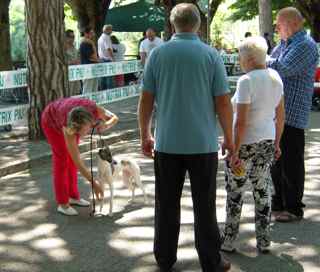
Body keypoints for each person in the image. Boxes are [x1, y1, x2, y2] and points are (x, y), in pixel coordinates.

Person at [138, 3, 233, 271]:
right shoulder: (210, 55)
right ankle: (211, 261)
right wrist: (229, 137)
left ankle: (165, 258)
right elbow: (223, 102)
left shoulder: (158, 54)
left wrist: (144, 134)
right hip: (202, 142)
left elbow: (146, 99)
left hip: (167, 142)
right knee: (205, 205)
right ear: (198, 24)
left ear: (172, 25)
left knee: (166, 203)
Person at [221, 36, 285, 254]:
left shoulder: (246, 81)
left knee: (235, 192)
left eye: (240, 56)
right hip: (266, 140)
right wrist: (277, 142)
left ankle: (228, 240)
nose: (239, 60)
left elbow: (241, 121)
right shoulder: (276, 77)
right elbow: (281, 114)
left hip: (245, 144)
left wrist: (233, 149)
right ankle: (264, 240)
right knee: (262, 191)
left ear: (247, 59)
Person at [267, 7, 319, 222]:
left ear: (294, 24)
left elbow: (283, 67)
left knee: (291, 163)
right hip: (276, 113)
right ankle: (278, 203)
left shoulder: (305, 44)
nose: (276, 27)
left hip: (292, 113)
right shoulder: (285, 43)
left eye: (280, 23)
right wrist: (265, 61)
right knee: (276, 161)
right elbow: (272, 62)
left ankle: (294, 208)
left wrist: (258, 60)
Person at [41, 97, 119, 216]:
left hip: (67, 113)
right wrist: (94, 184)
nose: (87, 133)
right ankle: (63, 204)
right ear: (75, 128)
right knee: (62, 159)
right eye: (84, 130)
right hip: (50, 120)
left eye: (88, 128)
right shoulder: (69, 128)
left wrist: (106, 125)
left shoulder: (95, 109)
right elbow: (78, 161)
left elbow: (114, 118)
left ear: (90, 120)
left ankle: (73, 196)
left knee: (71, 161)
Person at [79, 27, 100, 94]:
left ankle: (93, 104)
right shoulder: (85, 44)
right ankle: (85, 104)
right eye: (91, 33)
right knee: (87, 90)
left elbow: (95, 58)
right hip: (87, 69)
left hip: (93, 68)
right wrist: (93, 44)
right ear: (86, 34)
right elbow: (95, 57)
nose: (93, 35)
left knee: (94, 89)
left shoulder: (89, 43)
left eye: (93, 33)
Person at [64, 29, 81, 96]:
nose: (72, 38)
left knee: (76, 93)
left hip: (76, 75)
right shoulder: (62, 48)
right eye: (70, 36)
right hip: (67, 76)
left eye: (73, 37)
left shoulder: (74, 48)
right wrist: (72, 62)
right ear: (65, 37)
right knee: (69, 93)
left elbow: (78, 59)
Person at [98, 24, 114, 90]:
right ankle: (109, 93)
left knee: (103, 77)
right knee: (109, 77)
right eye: (111, 30)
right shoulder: (106, 37)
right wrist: (112, 58)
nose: (111, 31)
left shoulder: (100, 38)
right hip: (107, 59)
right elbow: (108, 49)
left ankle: (103, 91)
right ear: (107, 30)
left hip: (101, 59)